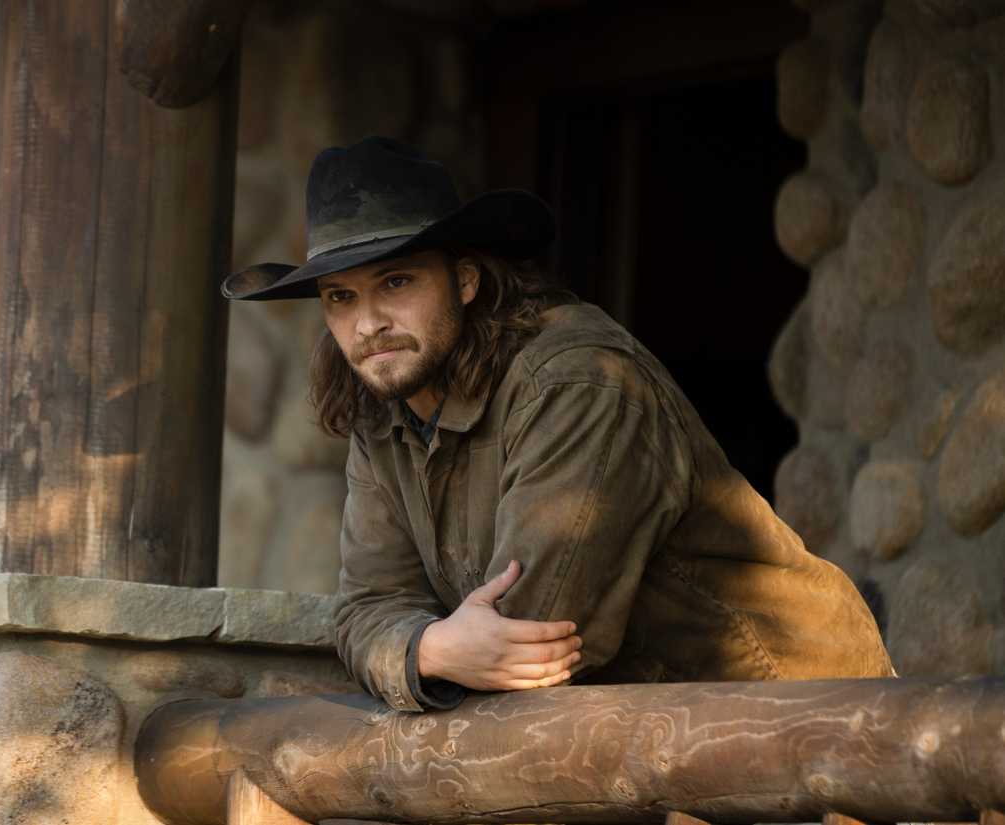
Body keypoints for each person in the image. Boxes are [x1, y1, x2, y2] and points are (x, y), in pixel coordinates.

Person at [222, 137, 894, 712]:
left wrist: (431, 652)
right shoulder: (383, 405)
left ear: (464, 280)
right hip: (649, 748)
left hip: (800, 720)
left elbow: (533, 639)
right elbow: (367, 607)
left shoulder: (577, 381)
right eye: (341, 297)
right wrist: (428, 646)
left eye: (395, 282)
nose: (367, 324)